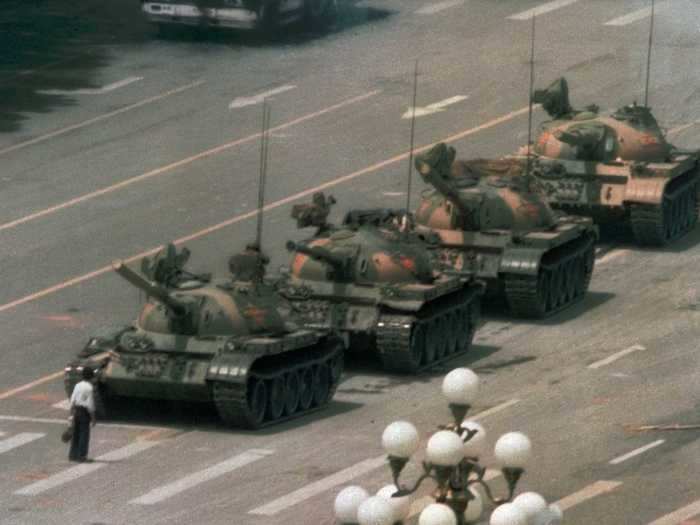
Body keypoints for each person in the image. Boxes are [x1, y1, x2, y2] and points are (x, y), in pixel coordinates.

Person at [68, 367, 97, 462]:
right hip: (84, 413)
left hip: (76, 411)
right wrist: (93, 418)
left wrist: (71, 414)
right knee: (84, 434)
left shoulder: (77, 385)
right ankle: (82, 456)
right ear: (91, 377)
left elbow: (72, 400)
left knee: (76, 433)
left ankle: (73, 455)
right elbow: (90, 405)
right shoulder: (89, 388)